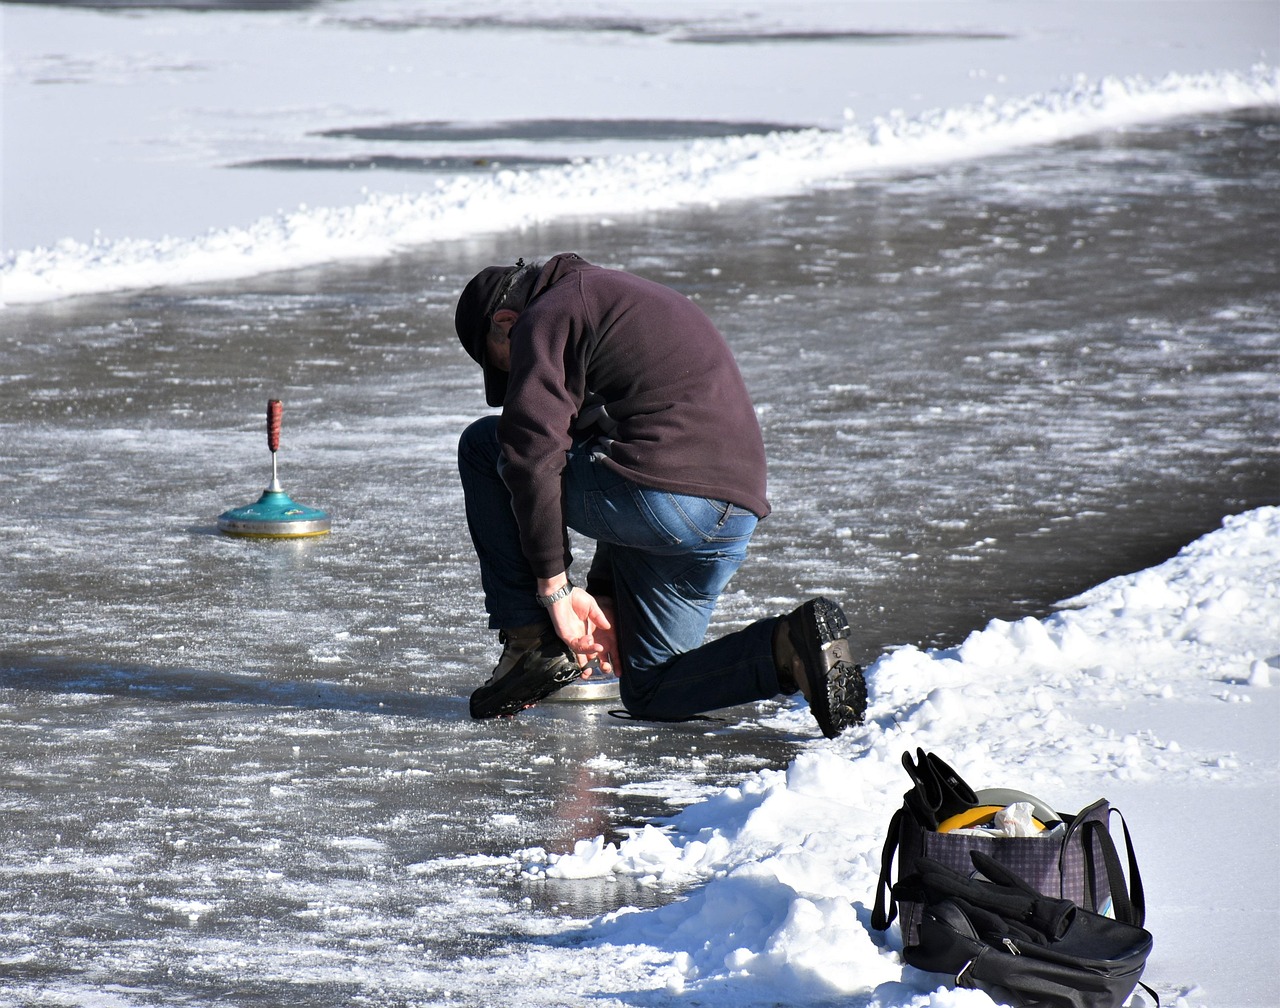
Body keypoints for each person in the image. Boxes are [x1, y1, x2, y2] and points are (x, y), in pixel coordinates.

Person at [454, 252, 866, 737]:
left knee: (485, 445)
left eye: (506, 366)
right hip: (730, 513)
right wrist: (606, 592)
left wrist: (554, 590)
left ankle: (531, 645)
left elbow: (531, 453)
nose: (516, 382)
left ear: (507, 322)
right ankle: (790, 647)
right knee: (651, 689)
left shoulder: (551, 311)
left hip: (669, 500)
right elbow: (617, 446)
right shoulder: (616, 297)